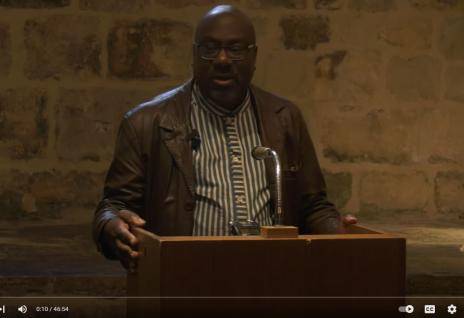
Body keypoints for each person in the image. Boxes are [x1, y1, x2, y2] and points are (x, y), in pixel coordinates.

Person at [92, 5, 357, 270]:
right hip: (183, 279)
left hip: (271, 277)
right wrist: (110, 226)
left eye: (236, 49)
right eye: (210, 48)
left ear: (254, 57)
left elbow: (312, 205)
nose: (222, 60)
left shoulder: (285, 118)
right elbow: (115, 205)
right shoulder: (145, 123)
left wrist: (337, 233)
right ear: (194, 55)